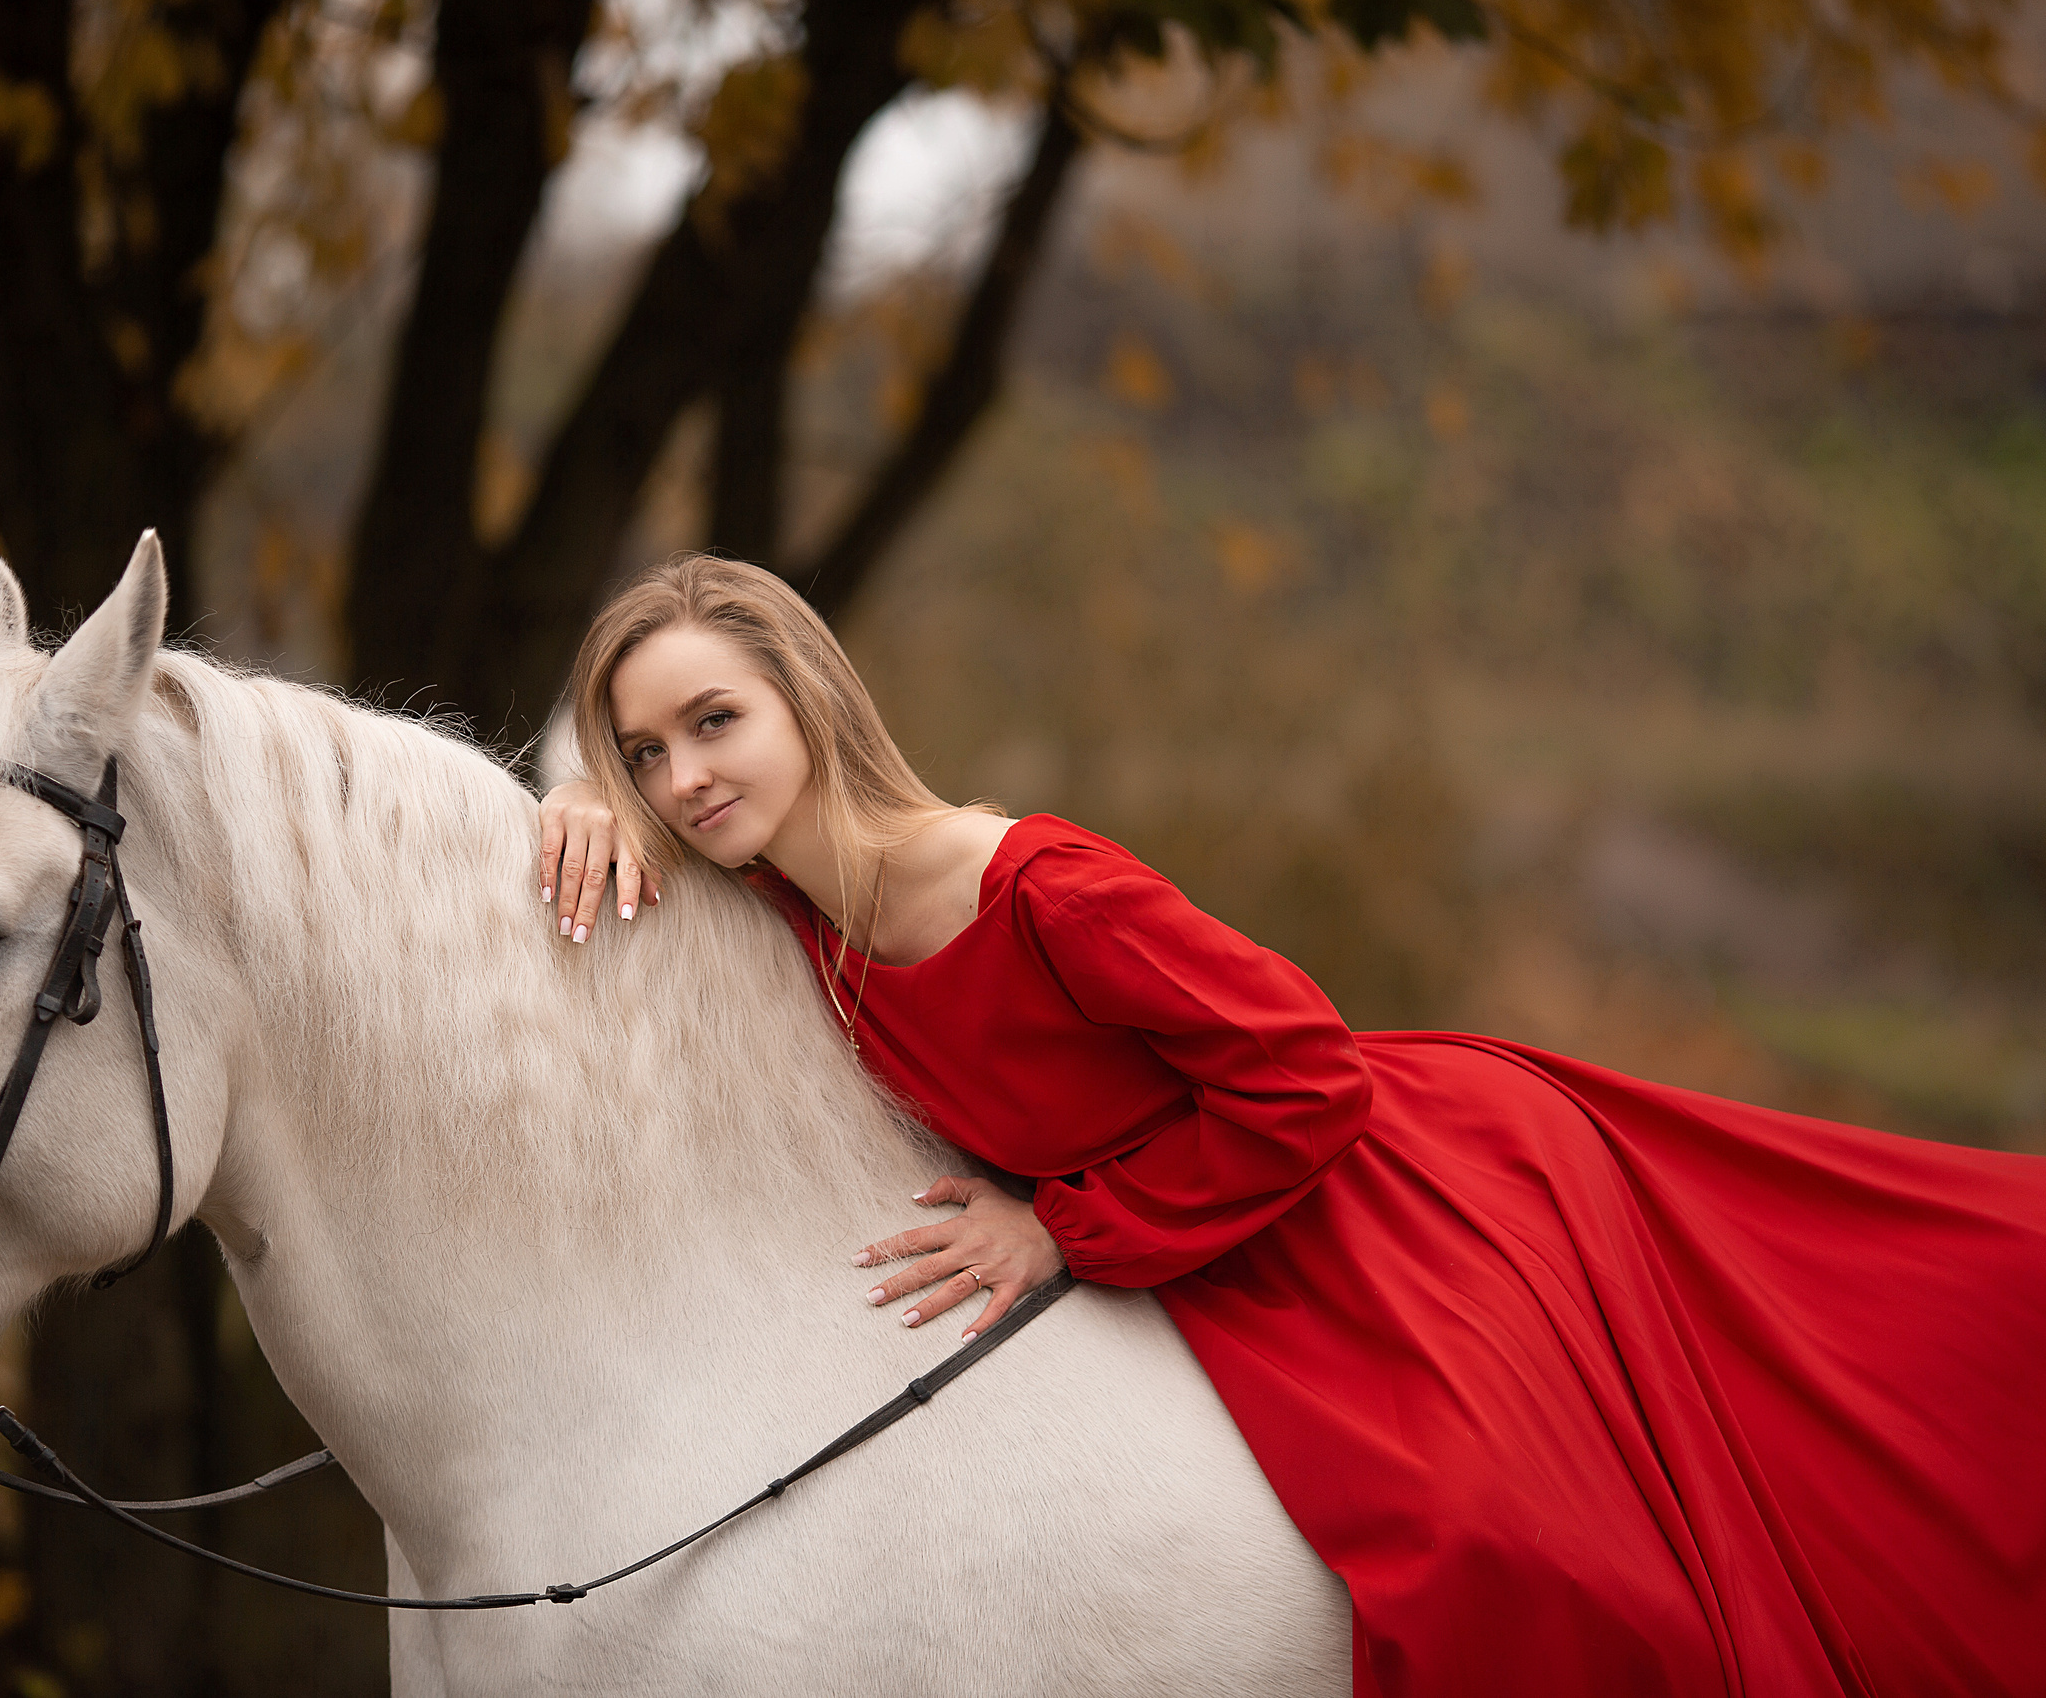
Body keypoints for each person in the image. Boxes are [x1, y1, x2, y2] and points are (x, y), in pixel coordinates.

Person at [533, 555, 2046, 1698]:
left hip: (1385, 1192)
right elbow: (590, 800)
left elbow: (1306, 1076)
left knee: (1498, 1550)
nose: (687, 776)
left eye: (714, 721)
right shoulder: (775, 906)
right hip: (1203, 1225)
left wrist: (1061, 1228)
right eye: (650, 752)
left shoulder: (1037, 890)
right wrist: (573, 793)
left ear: (807, 697)